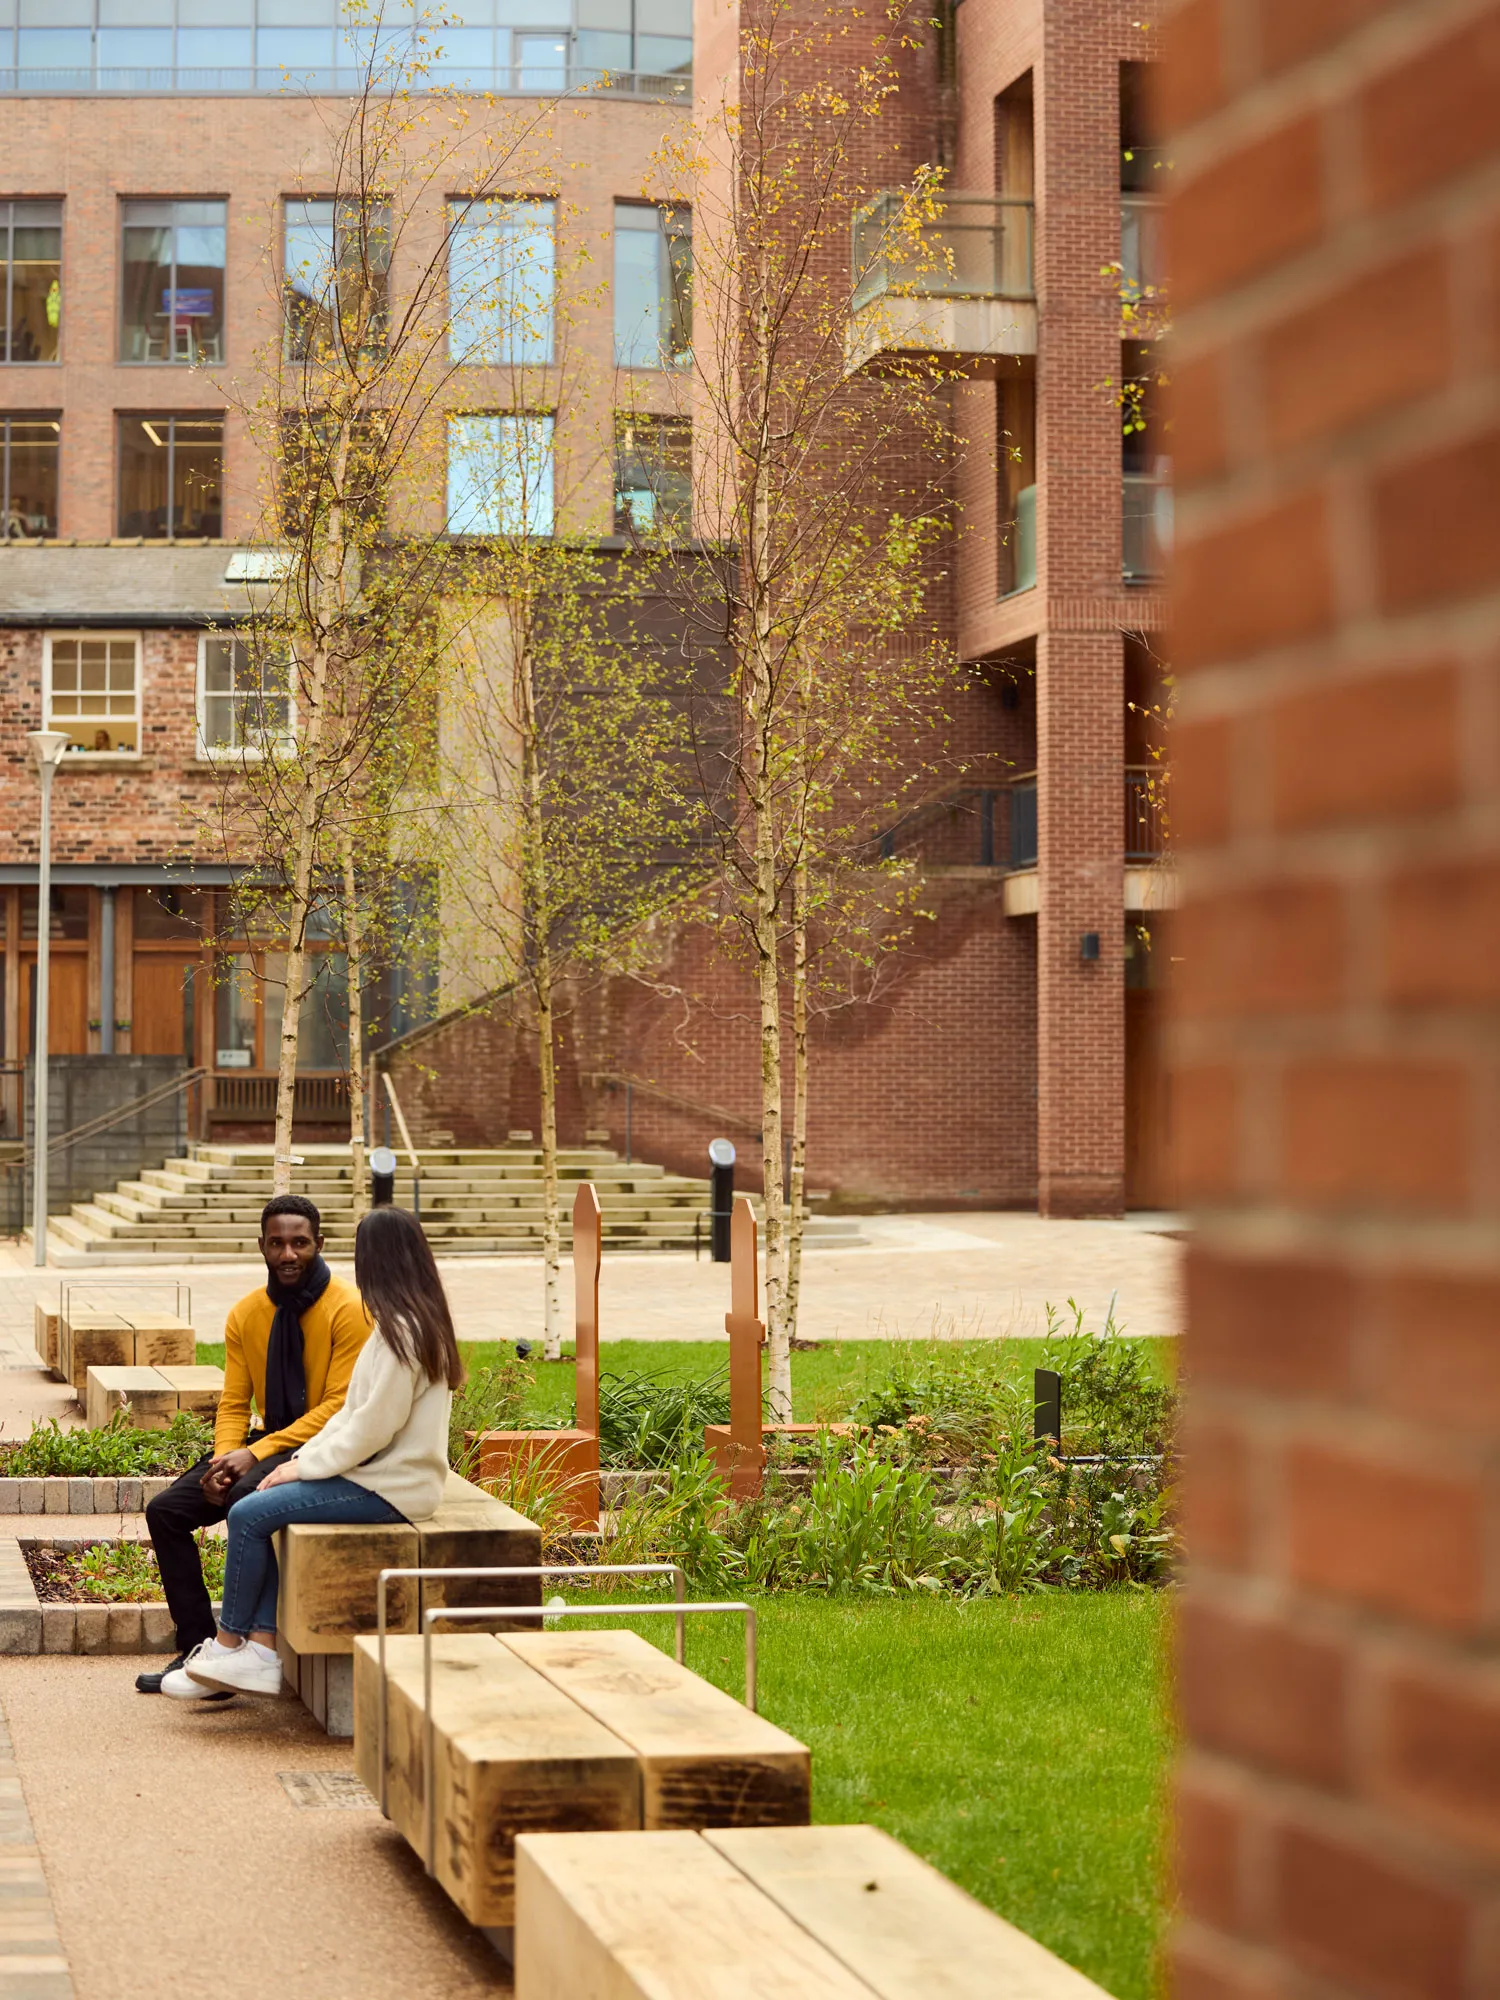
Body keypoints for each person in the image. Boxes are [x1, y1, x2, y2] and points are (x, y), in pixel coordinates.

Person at [180, 1205, 462, 1698]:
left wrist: (301, 1468)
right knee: (265, 1513)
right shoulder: (399, 1324)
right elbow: (348, 1414)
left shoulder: (405, 1335)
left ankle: (228, 1645)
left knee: (247, 1512)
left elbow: (373, 1429)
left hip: (395, 1488)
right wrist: (298, 1462)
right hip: (377, 1478)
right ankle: (262, 1651)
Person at [138, 1193, 371, 1700]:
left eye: (300, 1243)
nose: (288, 1254)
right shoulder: (247, 1313)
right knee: (166, 1511)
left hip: (324, 1445)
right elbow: (234, 1401)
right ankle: (200, 1650)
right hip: (268, 1442)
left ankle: (242, 1646)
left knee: (247, 1499)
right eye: (277, 1243)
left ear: (319, 1244)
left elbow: (338, 1407)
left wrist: (256, 1455)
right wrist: (226, 1455)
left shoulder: (349, 1309)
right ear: (262, 1247)